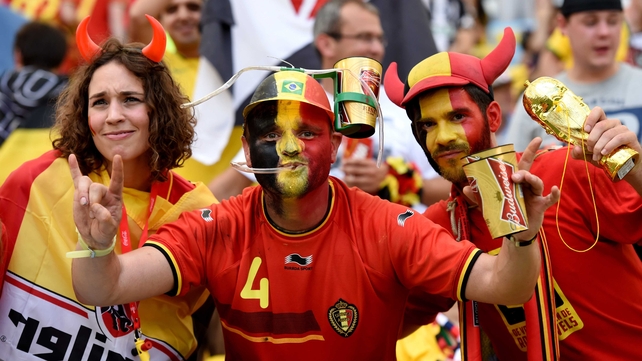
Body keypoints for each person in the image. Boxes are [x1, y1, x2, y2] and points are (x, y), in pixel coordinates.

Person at [68, 65, 559, 360]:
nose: (287, 149)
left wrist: (521, 235)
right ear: (244, 147)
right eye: (269, 134)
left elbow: (506, 285)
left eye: (306, 133)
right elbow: (104, 286)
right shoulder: (217, 226)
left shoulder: (385, 225)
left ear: (337, 144)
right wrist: (97, 246)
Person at [384, 25, 642, 361]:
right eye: (427, 126)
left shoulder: (569, 170)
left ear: (493, 117)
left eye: (457, 116)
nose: (443, 137)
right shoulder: (439, 228)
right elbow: (385, 321)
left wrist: (635, 168)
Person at [0, 16, 217, 360]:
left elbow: (212, 334)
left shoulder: (197, 209)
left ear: (157, 109)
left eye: (130, 99)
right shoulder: (37, 180)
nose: (113, 115)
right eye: (100, 102)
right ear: (85, 116)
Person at [209, 0, 451, 208]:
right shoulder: (293, 104)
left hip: (395, 246)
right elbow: (230, 185)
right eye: (365, 37)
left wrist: (394, 180)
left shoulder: (404, 105)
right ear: (326, 44)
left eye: (379, 38)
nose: (377, 48)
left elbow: (452, 187)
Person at [506, 0, 642, 151]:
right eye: (590, 22)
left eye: (613, 21)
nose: (604, 32)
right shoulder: (539, 99)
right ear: (563, 25)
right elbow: (510, 168)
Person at [0, 21, 68, 184]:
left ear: (18, 54)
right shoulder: (69, 98)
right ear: (61, 60)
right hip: (37, 186)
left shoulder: (3, 84)